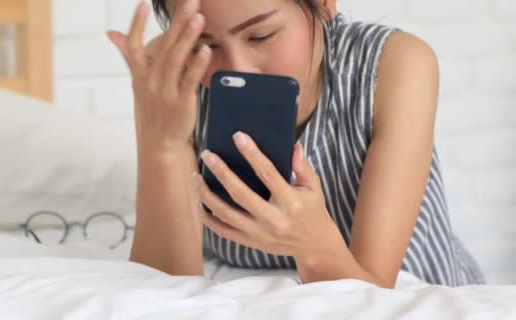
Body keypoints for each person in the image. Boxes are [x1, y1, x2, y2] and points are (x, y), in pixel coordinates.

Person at [106, 0, 485, 288]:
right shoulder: (175, 77)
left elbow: (372, 295)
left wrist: (315, 245)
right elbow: (161, 290)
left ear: (324, 4)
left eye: (261, 35)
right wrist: (165, 145)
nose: (236, 68)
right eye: (203, 46)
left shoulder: (394, 65)